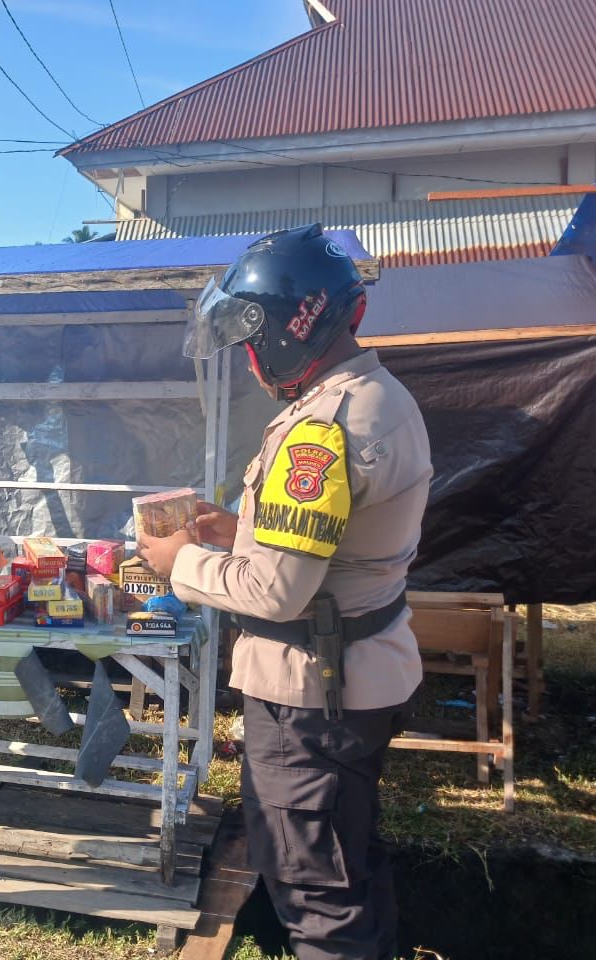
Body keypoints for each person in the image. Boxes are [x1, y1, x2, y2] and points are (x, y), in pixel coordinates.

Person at [137, 224, 432, 960]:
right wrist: (240, 527)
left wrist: (177, 562)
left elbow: (275, 591)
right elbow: (331, 546)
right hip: (356, 676)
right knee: (345, 859)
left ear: (291, 326)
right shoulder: (374, 396)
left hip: (312, 696)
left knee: (315, 892)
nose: (247, 354)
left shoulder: (321, 430)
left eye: (250, 335)